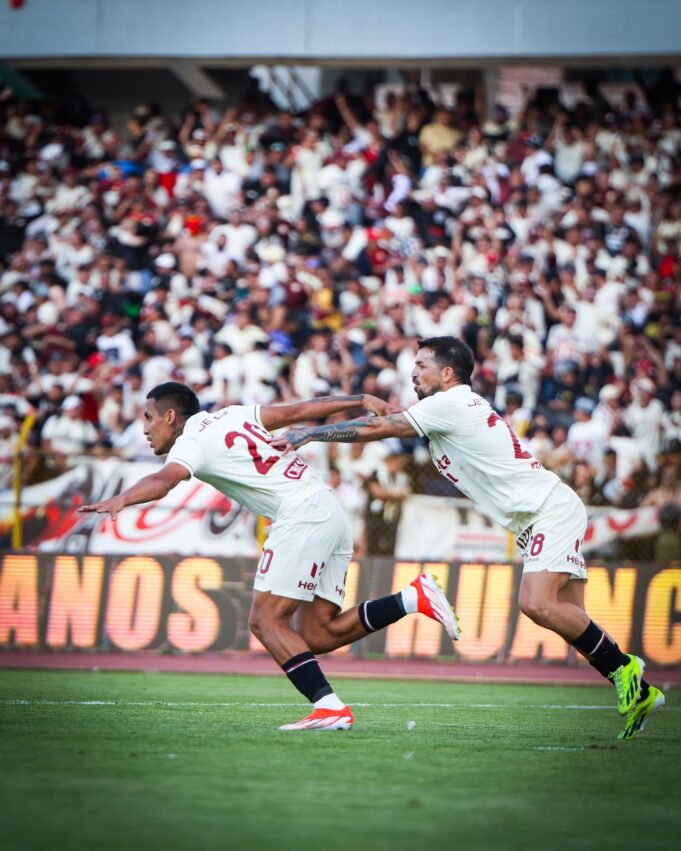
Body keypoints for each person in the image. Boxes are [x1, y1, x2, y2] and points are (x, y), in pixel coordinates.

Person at [273, 336, 665, 741]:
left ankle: (625, 668)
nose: (413, 372)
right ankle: (640, 693)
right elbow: (395, 419)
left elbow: (380, 427)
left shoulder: (451, 403)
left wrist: (311, 434)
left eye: (421, 365)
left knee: (537, 603)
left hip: (548, 511)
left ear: (447, 373)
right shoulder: (450, 407)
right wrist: (375, 406)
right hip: (538, 517)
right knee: (574, 623)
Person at [78, 381, 459, 731]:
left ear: (170, 416)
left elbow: (164, 481)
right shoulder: (232, 414)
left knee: (265, 619)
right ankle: (412, 598)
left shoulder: (189, 442)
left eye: (148, 418)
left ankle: (329, 707)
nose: (145, 429)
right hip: (329, 510)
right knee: (317, 634)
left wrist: (122, 498)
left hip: (301, 515)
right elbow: (298, 411)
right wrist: (360, 398)